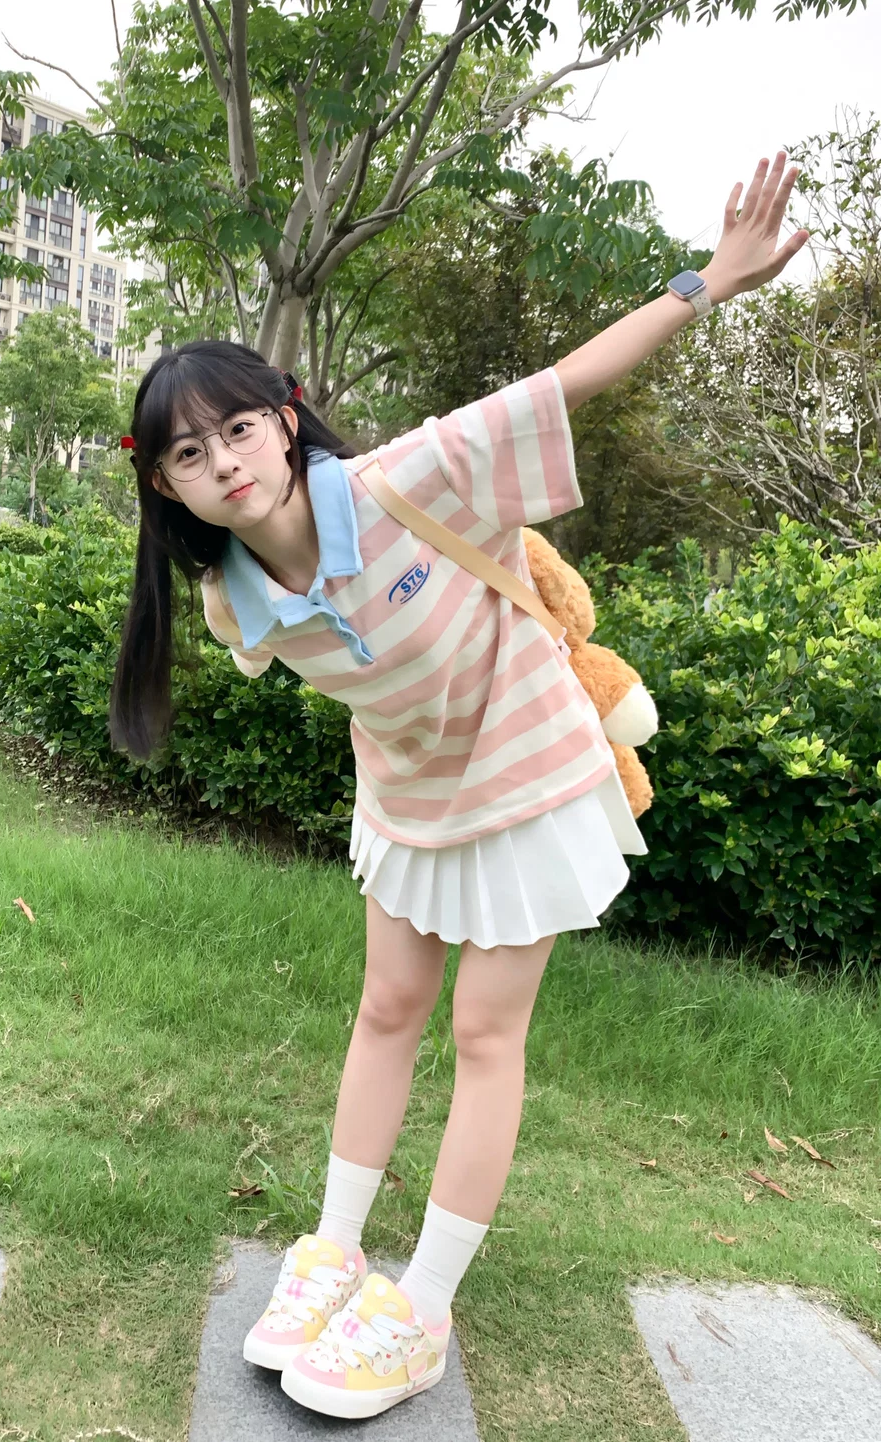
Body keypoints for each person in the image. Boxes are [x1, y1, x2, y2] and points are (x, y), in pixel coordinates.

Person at [109, 153, 808, 1420]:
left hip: (529, 771)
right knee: (386, 1007)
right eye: (191, 452)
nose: (225, 461)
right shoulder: (230, 604)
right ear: (167, 484)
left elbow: (566, 381)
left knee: (485, 1034)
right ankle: (334, 1252)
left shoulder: (409, 479)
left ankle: (420, 1306)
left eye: (239, 428)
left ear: (286, 416)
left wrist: (711, 280)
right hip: (412, 797)